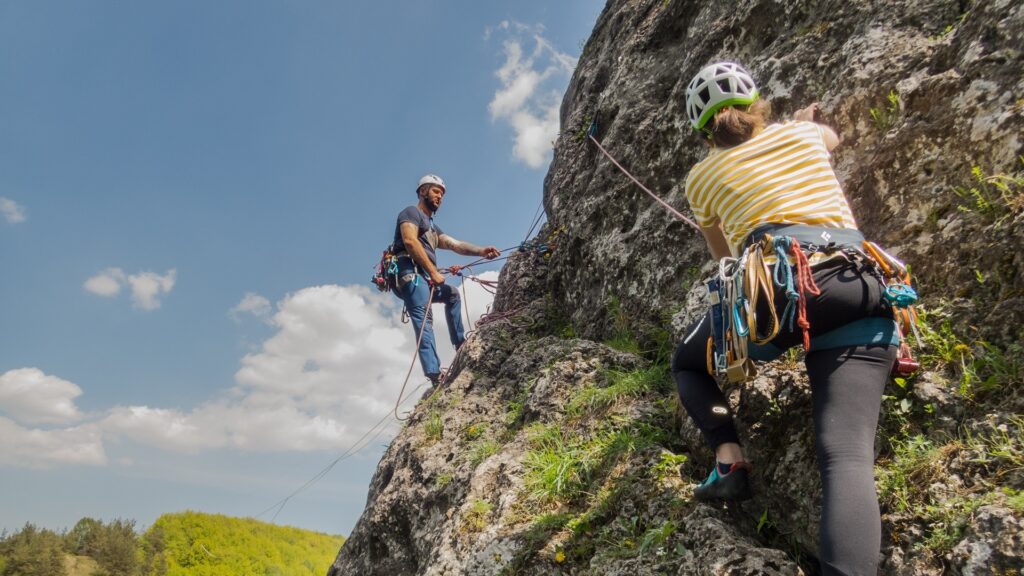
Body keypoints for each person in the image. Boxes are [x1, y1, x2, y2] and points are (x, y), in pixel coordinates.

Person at [673, 62, 900, 576]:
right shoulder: (803, 135)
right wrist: (803, 121)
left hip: (777, 296)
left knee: (688, 363)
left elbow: (722, 252)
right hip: (856, 281)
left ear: (703, 130)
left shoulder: (701, 177)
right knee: (846, 458)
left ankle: (728, 458)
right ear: (757, 103)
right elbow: (830, 136)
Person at [392, 174, 500, 386]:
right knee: (424, 318)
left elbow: (455, 245)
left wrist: (481, 251)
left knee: (452, 295)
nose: (440, 196)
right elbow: (410, 241)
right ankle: (434, 373)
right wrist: (433, 272)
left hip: (422, 276)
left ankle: (460, 344)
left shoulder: (432, 227)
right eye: (436, 191)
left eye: (442, 193)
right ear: (423, 191)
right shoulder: (411, 213)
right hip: (410, 274)